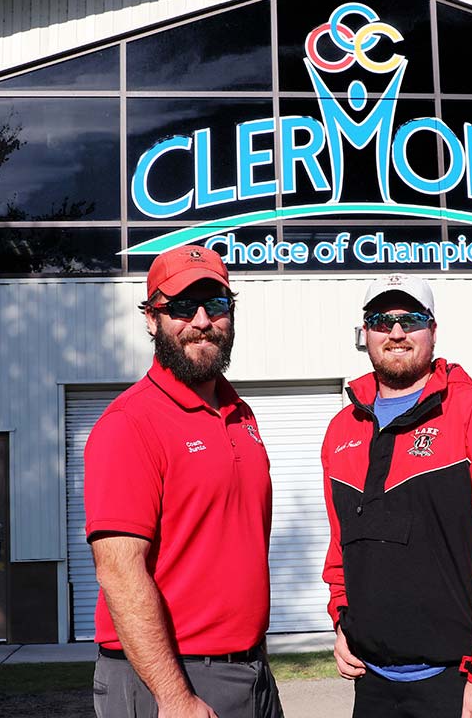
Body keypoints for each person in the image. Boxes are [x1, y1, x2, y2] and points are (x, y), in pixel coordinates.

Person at [321, 273, 472, 718]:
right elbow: (342, 548)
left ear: (433, 330)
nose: (396, 332)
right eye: (381, 320)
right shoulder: (342, 430)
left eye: (410, 319)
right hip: (373, 687)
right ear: (365, 333)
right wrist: (342, 620)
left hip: (458, 685)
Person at [84, 245, 283, 718]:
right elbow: (119, 572)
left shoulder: (240, 414)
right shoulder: (130, 423)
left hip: (249, 669)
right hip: (167, 679)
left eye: (215, 304)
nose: (201, 320)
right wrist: (174, 698)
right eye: (181, 307)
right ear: (151, 319)